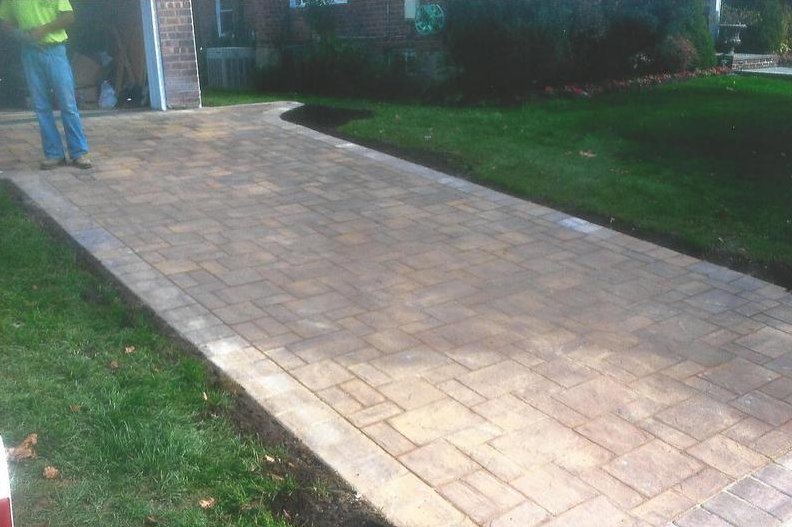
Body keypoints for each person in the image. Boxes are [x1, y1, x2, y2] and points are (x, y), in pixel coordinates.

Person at [0, 0, 92, 170]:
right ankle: (54, 154)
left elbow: (69, 16)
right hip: (29, 52)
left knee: (68, 104)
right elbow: (3, 21)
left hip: (55, 50)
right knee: (41, 106)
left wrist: (44, 29)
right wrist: (17, 33)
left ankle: (79, 152)